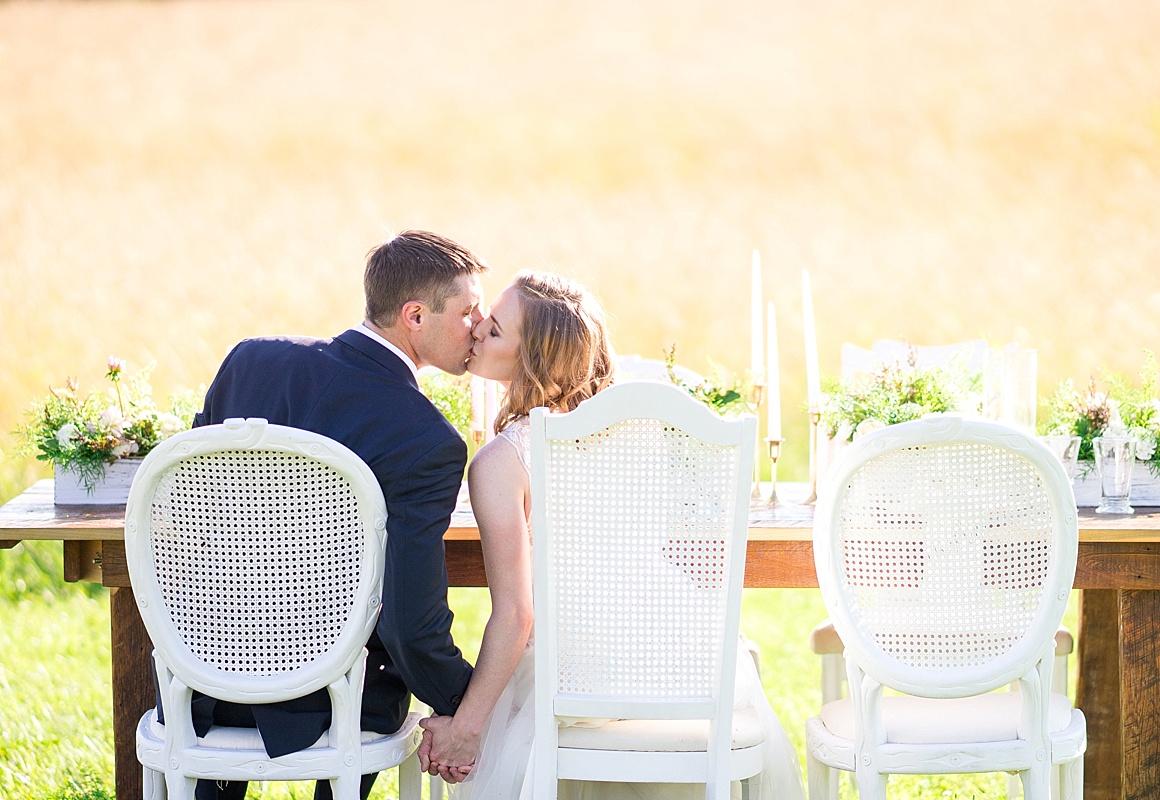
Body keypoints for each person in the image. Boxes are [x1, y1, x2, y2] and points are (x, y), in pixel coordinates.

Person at [419, 271, 805, 799]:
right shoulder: (646, 431)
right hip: (681, 669)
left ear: (533, 358)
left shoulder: (501, 461)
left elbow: (516, 613)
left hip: (576, 679)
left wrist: (466, 727)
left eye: (495, 329)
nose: (478, 329)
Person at [185, 230, 488, 800]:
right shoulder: (426, 439)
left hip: (205, 674)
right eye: (469, 311)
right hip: (333, 693)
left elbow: (188, 528)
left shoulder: (249, 361)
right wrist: (469, 710)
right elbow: (409, 626)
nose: (480, 324)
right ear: (415, 316)